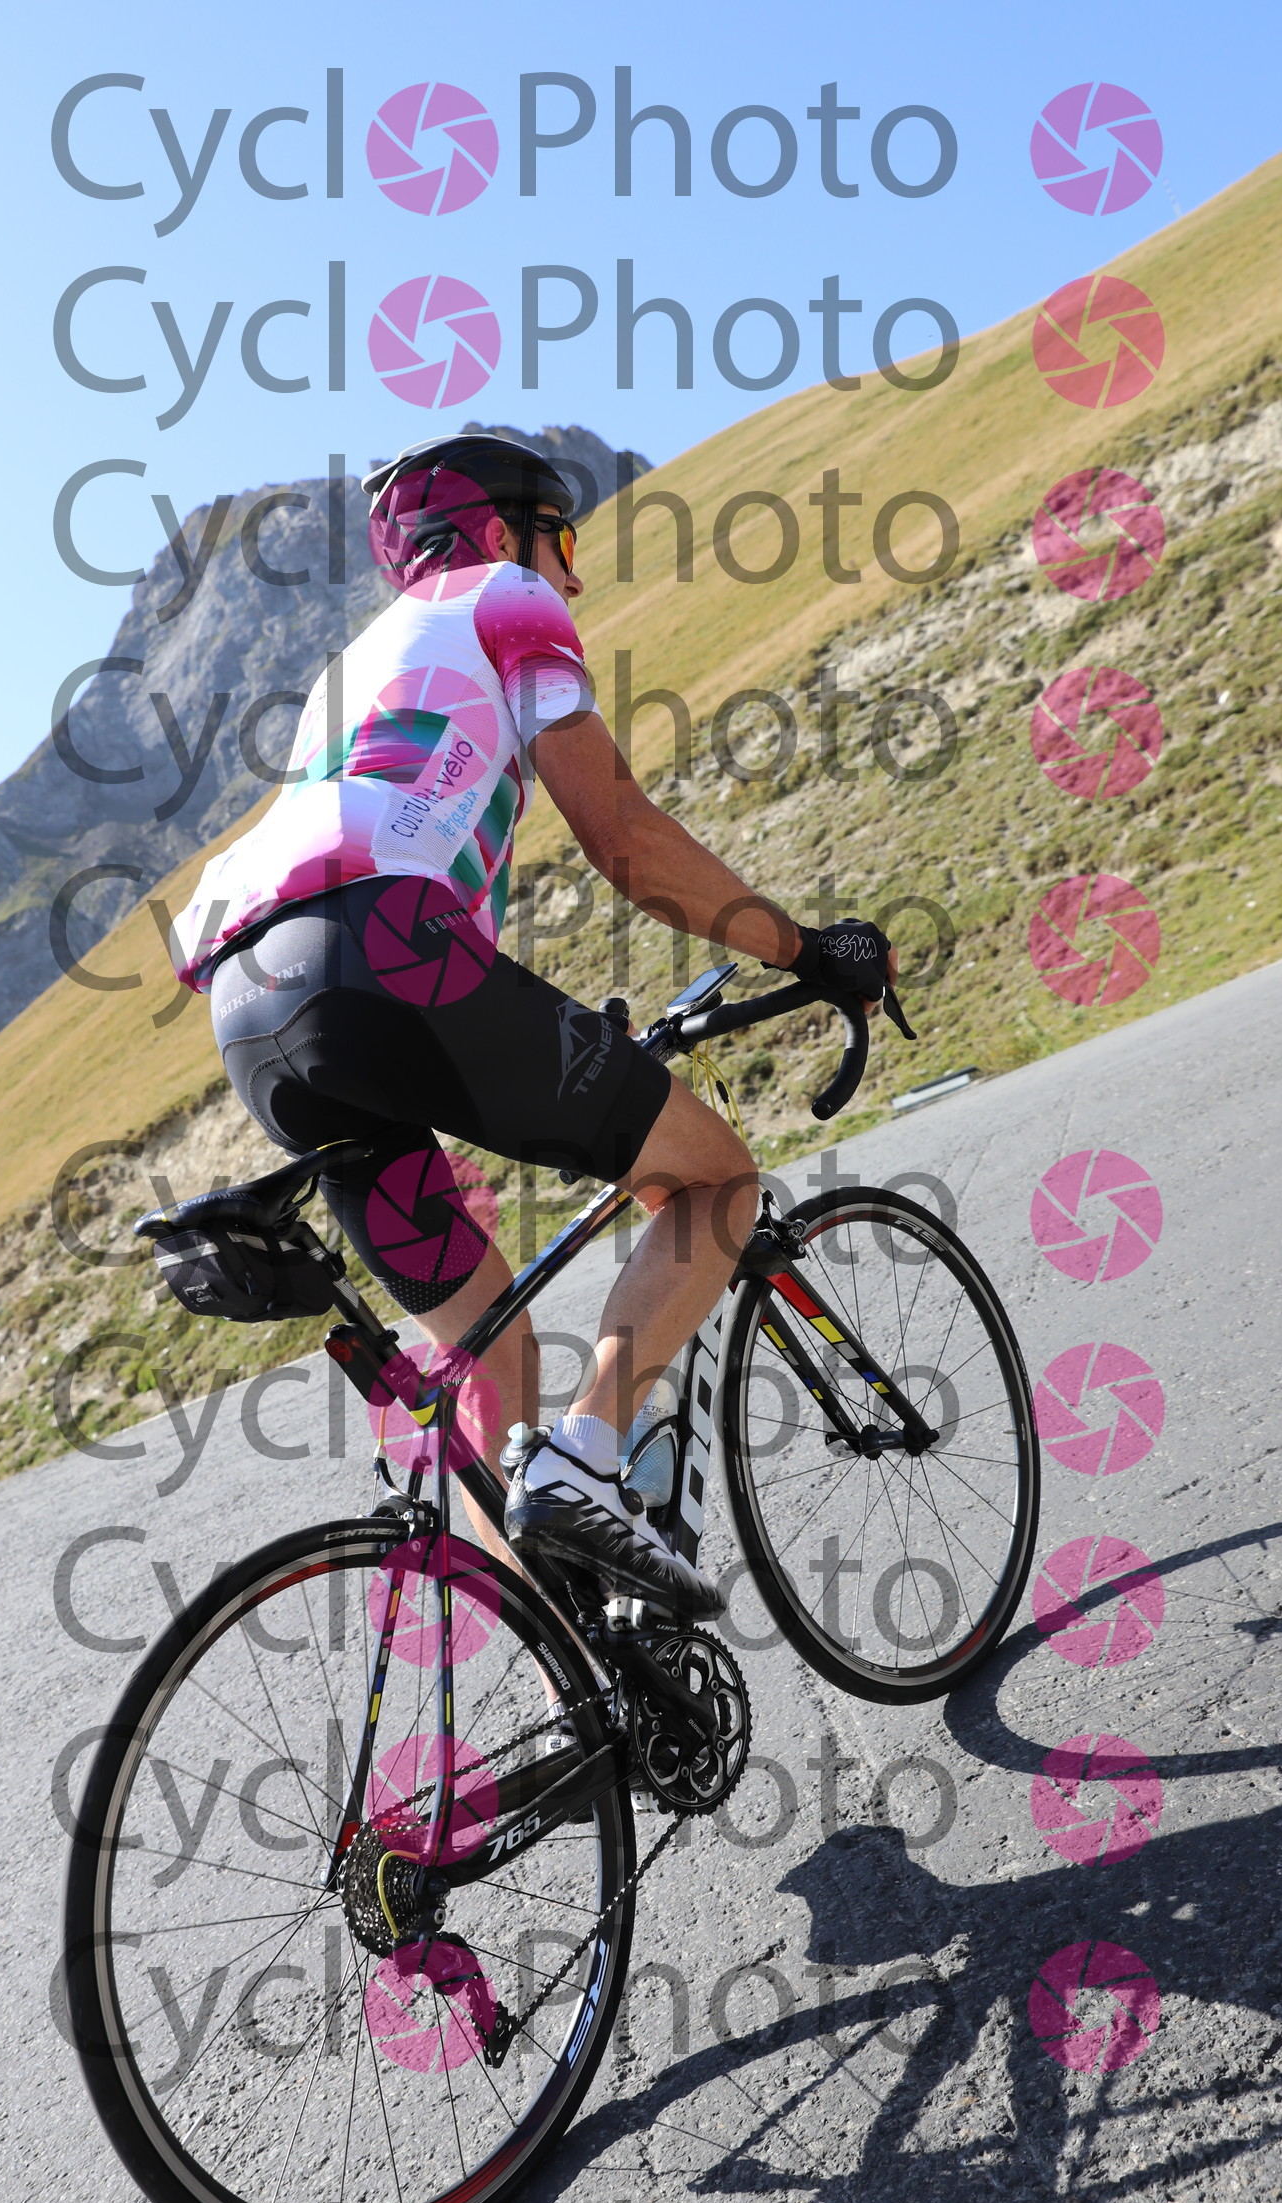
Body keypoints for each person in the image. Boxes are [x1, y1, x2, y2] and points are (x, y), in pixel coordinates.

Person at [172, 433, 897, 1618]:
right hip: (381, 959)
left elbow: (399, 839)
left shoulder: (353, 670)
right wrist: (809, 952)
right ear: (501, 532)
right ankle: (585, 1460)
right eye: (561, 540)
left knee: (487, 1353)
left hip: (252, 1007)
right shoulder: (503, 598)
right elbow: (624, 840)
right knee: (712, 1180)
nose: (572, 572)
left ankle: (570, 1668)